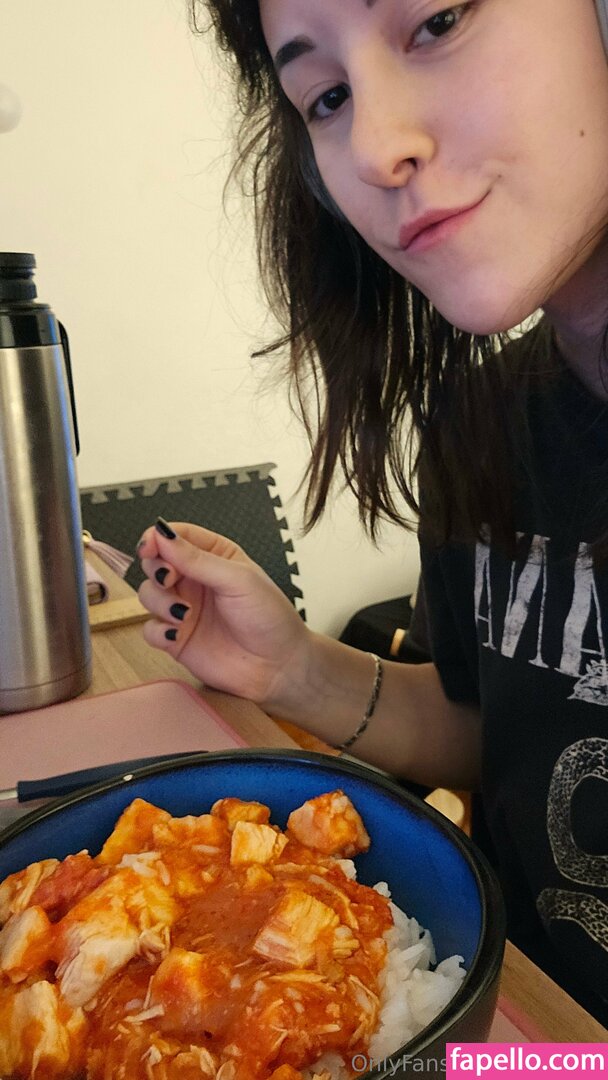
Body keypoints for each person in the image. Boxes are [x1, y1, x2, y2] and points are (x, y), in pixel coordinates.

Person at [136, 0, 608, 1024]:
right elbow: (497, 731)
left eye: (436, 21)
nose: (375, 148)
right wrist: (291, 668)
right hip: (511, 1024)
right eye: (326, 97)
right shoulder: (484, 419)